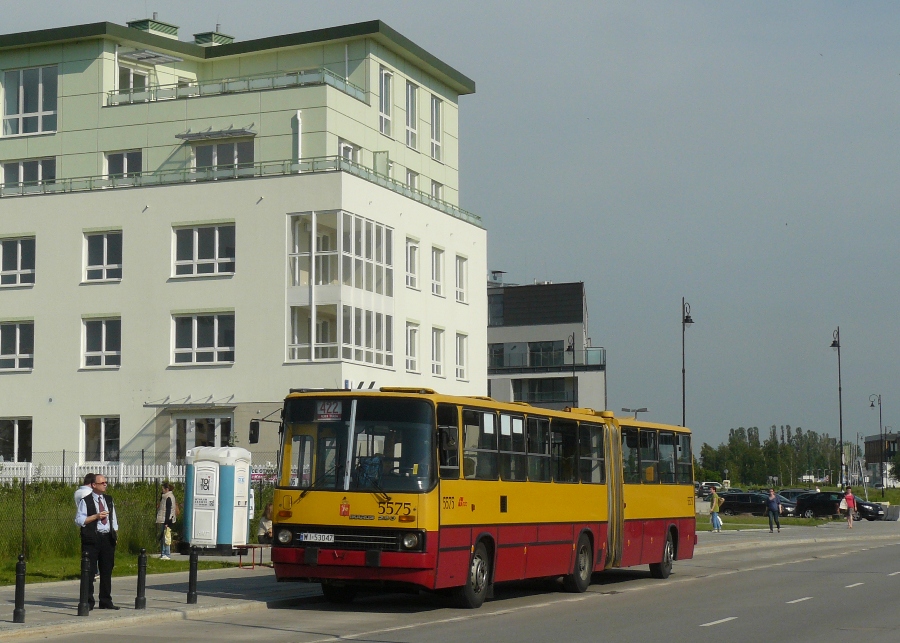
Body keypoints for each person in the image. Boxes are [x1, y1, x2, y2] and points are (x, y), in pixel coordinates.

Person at [74, 474, 119, 610]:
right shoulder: (86, 501)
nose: (105, 484)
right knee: (90, 570)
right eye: (102, 483)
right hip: (92, 539)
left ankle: (106, 600)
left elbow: (113, 519)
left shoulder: (108, 500)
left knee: (106, 570)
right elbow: (79, 520)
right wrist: (96, 516)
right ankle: (88, 601)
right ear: (94, 485)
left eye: (106, 482)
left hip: (107, 537)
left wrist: (114, 535)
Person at [156, 482, 177, 560]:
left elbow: (168, 510)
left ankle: (166, 554)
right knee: (164, 537)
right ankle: (163, 553)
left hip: (166, 520)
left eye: (163, 489)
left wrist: (166, 523)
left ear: (166, 489)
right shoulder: (166, 496)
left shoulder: (168, 497)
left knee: (166, 537)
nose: (162, 490)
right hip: (166, 519)